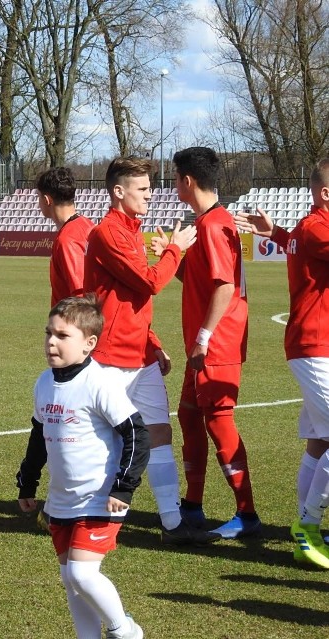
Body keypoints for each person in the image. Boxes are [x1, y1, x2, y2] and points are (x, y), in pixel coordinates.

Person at [84, 157, 218, 546]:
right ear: (118, 192)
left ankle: (173, 524)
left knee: (160, 432)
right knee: (104, 439)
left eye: (150, 187)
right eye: (142, 189)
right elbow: (149, 283)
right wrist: (175, 250)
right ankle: (83, 515)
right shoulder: (107, 232)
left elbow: (132, 302)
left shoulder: (131, 231)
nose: (150, 194)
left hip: (139, 356)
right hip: (109, 357)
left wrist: (153, 342)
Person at [16, 295, 150, 639]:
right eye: (49, 333)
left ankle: (126, 632)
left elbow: (136, 433)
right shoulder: (44, 382)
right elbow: (38, 436)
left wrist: (124, 486)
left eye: (62, 336)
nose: (51, 342)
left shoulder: (100, 383)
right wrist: (28, 484)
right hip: (61, 499)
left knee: (82, 574)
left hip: (101, 497)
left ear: (89, 344)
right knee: (70, 580)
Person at [236, 158, 329, 568]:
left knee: (320, 440)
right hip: (315, 347)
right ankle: (309, 529)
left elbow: (302, 241)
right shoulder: (318, 227)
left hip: (315, 346)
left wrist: (275, 232)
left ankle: (304, 526)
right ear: (325, 193)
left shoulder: (309, 228)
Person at [165, 147, 260, 540]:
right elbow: (205, 282)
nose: (173, 186)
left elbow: (224, 287)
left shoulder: (212, 224)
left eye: (175, 178)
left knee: (219, 422)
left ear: (187, 181)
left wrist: (204, 338)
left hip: (215, 346)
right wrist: (175, 262)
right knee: (189, 416)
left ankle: (248, 514)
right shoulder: (209, 222)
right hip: (202, 346)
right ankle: (193, 504)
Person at [36, 167, 94, 308]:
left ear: (46, 200)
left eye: (38, 197)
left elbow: (80, 295)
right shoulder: (88, 224)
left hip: (72, 323)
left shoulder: (67, 240)